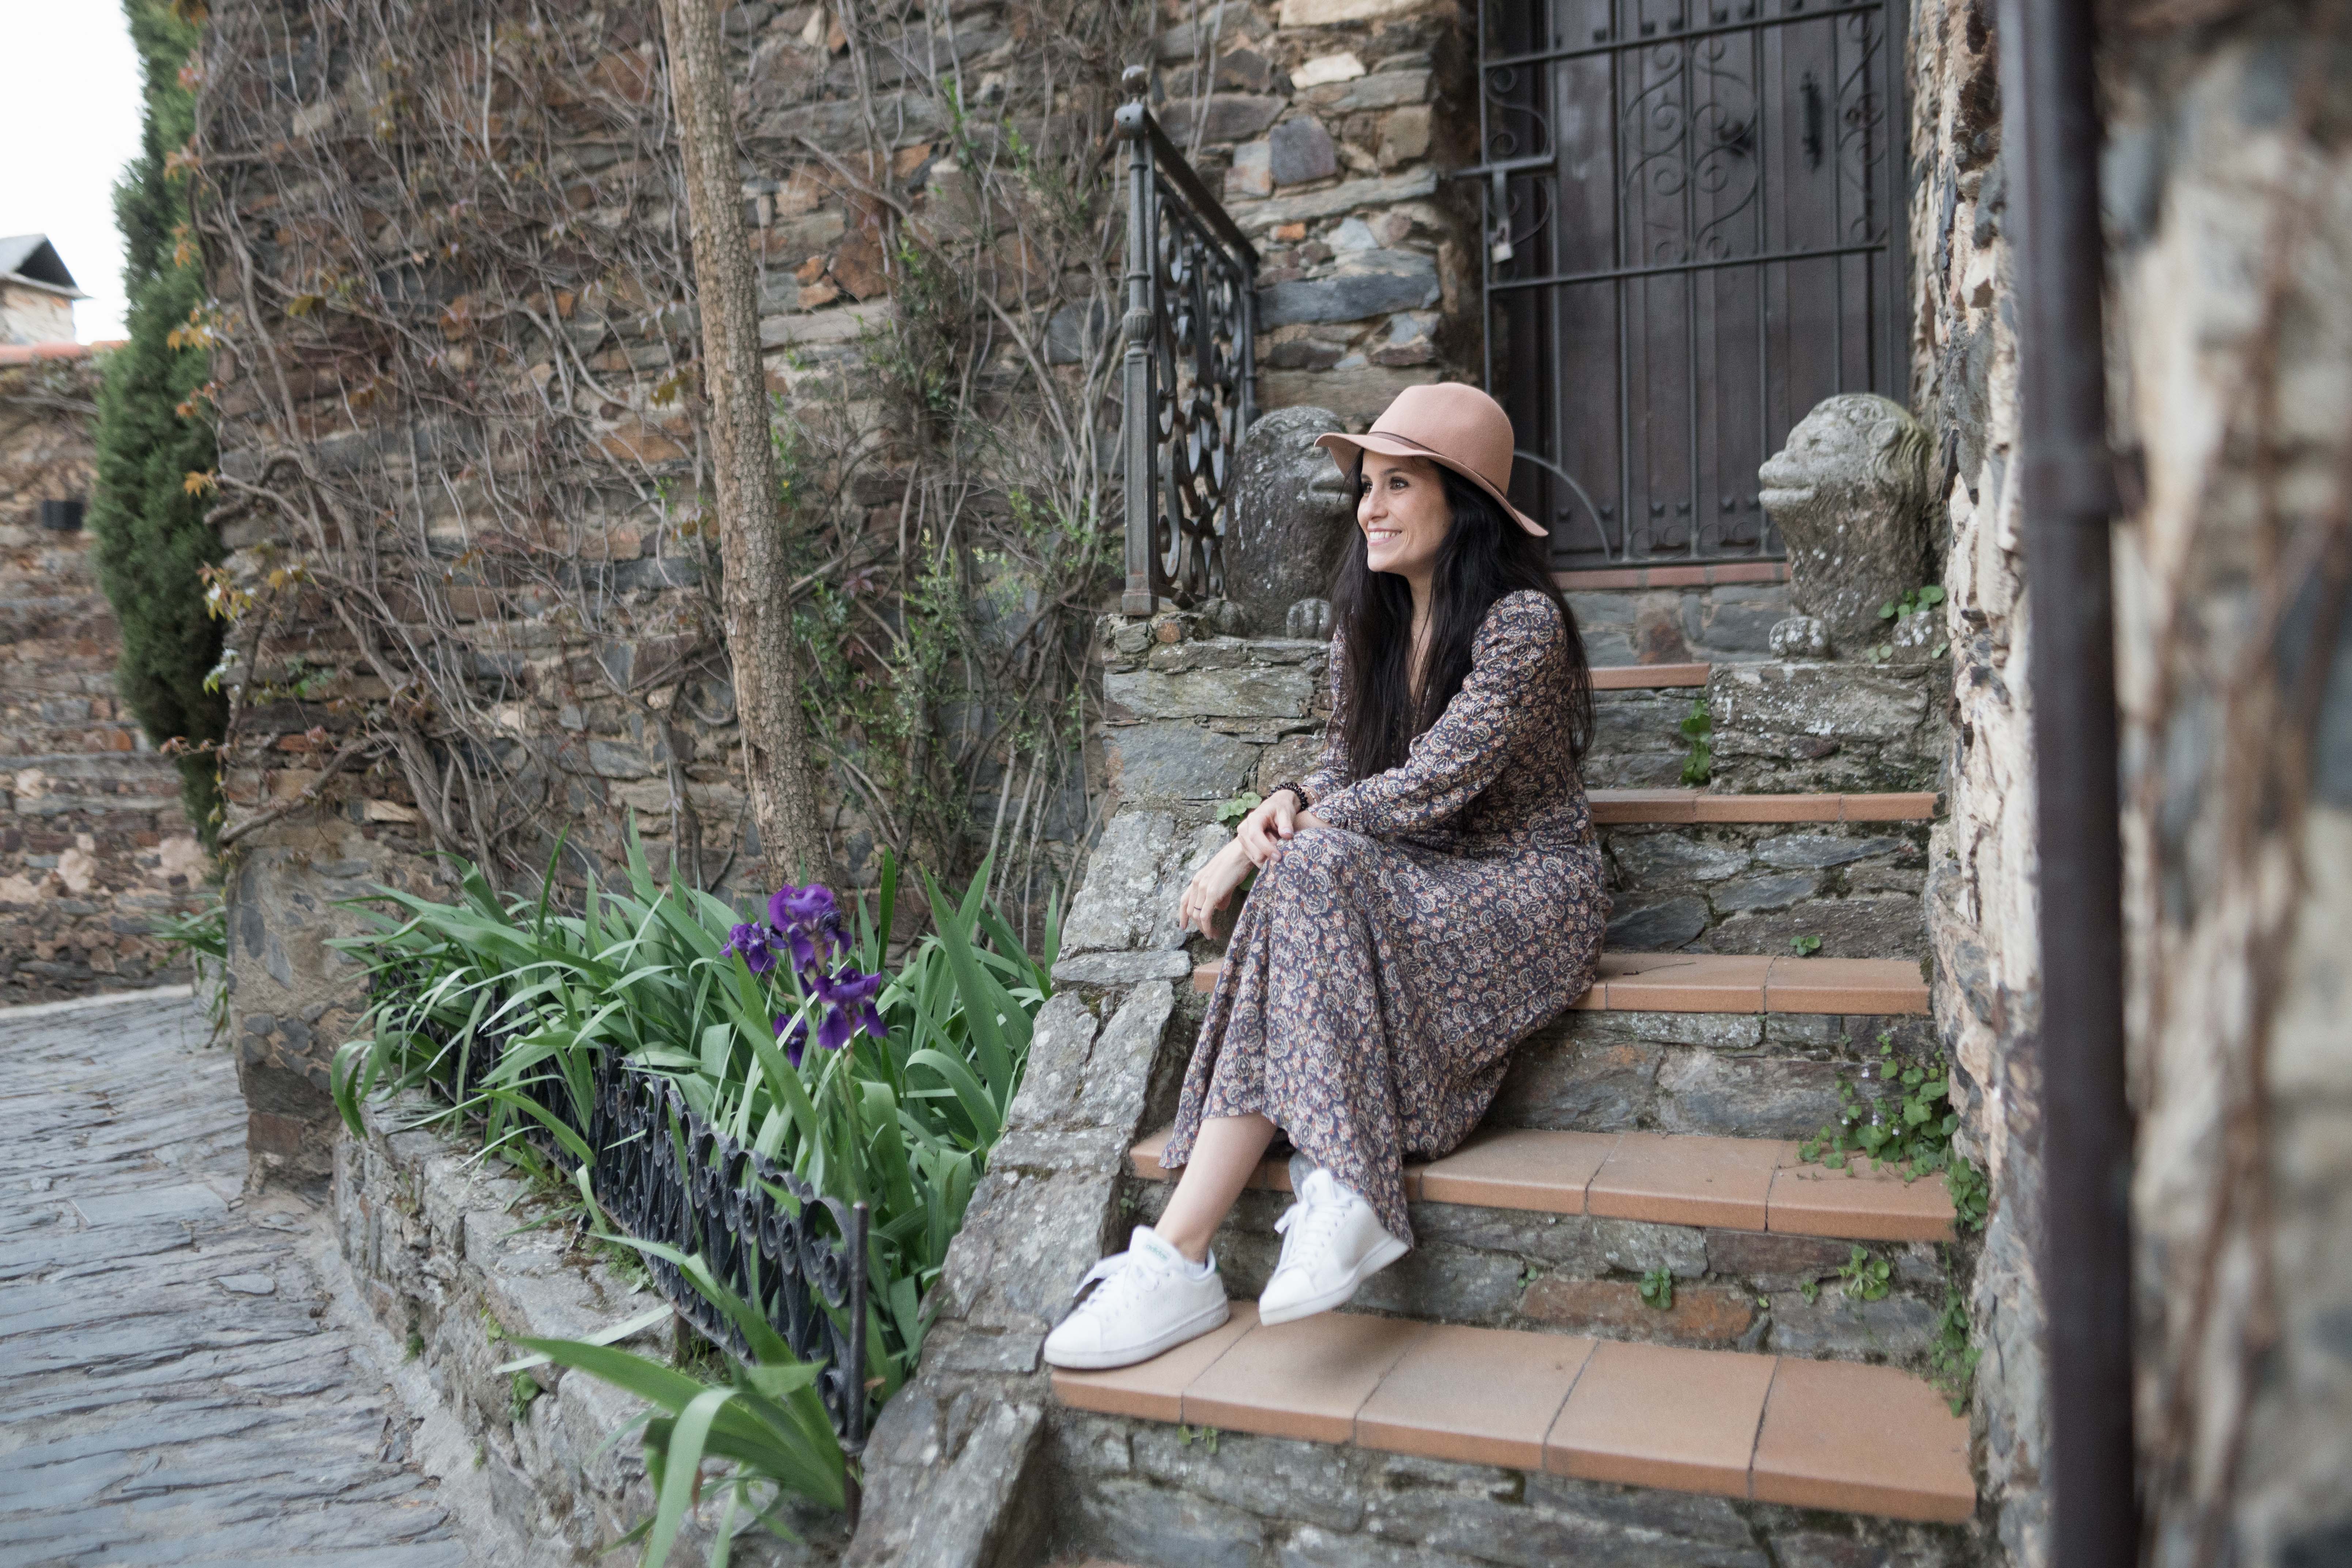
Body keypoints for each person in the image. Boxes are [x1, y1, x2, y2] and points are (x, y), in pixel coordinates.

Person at [1043, 383, 1605, 1371]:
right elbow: (1351, 768)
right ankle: (1197, 1246)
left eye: (1398, 485)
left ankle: (1290, 1205)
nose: (1368, 508)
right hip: (1401, 874)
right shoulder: (1369, 625)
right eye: (1365, 486)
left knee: (1307, 865)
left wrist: (1248, 846)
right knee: (1310, 866)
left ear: (1464, 503)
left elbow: (1433, 782)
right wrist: (1293, 794)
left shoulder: (1521, 626)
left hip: (1524, 887)